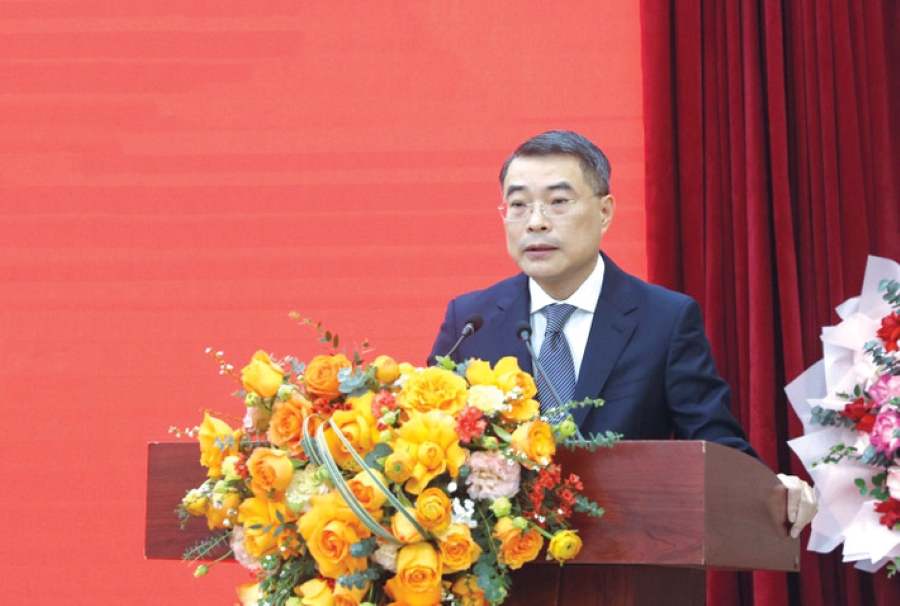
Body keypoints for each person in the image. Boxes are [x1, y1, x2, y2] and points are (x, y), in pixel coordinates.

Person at [429, 129, 816, 538]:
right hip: (503, 561)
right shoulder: (470, 320)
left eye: (558, 202)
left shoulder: (665, 320)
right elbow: (431, 437)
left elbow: (713, 442)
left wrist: (771, 489)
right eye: (519, 205)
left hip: (628, 551)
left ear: (605, 212)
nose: (536, 222)